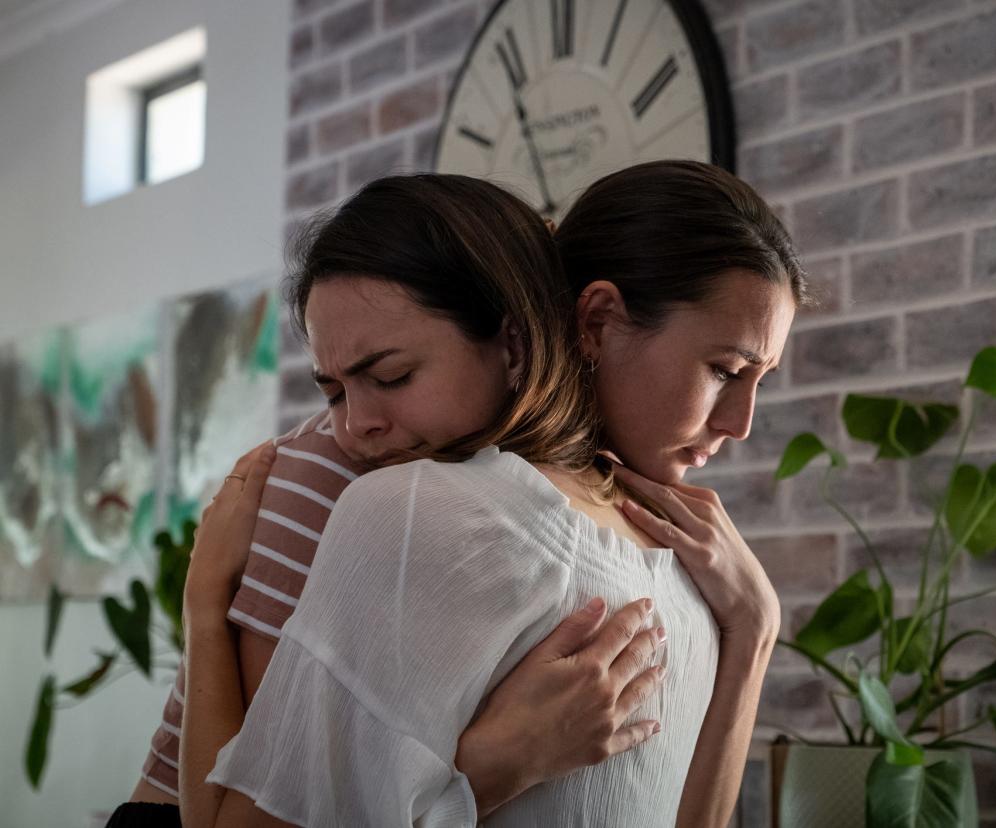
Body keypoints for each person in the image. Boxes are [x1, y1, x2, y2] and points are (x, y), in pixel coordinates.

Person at [139, 162, 804, 826]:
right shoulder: (341, 473)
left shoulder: (627, 534)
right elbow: (256, 806)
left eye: (392, 375)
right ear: (593, 323)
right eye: (725, 370)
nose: (356, 422)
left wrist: (756, 629)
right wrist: (493, 765)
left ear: (512, 345)